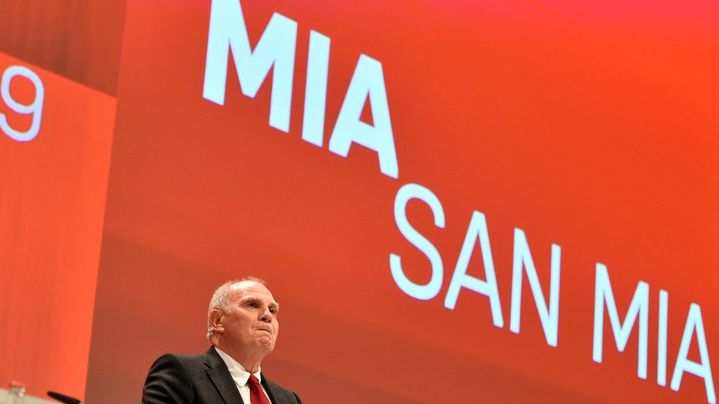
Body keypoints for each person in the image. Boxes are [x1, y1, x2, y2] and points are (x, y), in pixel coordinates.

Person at [142, 277, 302, 403]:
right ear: (217, 320)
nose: (267, 315)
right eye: (252, 304)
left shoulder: (289, 400)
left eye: (272, 310)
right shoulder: (181, 373)